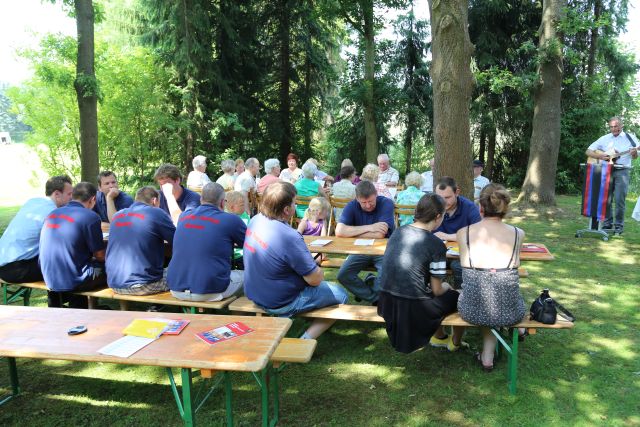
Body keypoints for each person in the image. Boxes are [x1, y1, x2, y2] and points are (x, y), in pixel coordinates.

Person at [243, 182, 348, 339]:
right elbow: (315, 279)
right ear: (286, 210)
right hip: (282, 301)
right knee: (341, 294)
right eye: (294, 202)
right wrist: (315, 266)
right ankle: (305, 339)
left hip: (255, 292)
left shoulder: (255, 220)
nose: (296, 204)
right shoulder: (289, 236)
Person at [377, 194, 464, 353]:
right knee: (458, 295)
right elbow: (437, 289)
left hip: (386, 301)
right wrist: (447, 286)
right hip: (414, 306)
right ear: (438, 217)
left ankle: (440, 337)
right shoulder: (436, 244)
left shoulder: (398, 232)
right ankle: (455, 341)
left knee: (436, 293)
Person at [457, 184, 526, 371]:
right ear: (505, 208)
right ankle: (515, 332)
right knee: (504, 295)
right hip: (509, 310)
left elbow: (464, 265)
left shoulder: (464, 233)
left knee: (485, 296)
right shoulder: (519, 234)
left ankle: (487, 357)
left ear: (480, 207)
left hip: (471, 308)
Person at [167, 183, 246, 301]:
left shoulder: (183, 216)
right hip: (210, 290)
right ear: (222, 202)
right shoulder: (231, 220)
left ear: (201, 199)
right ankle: (240, 316)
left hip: (176, 288)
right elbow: (251, 244)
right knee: (249, 277)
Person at [39, 182, 106, 309]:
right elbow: (100, 256)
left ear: (72, 196)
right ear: (93, 199)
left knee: (81, 264)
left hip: (48, 275)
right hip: (74, 279)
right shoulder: (90, 217)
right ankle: (90, 310)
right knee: (112, 268)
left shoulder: (53, 214)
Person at [0, 175, 73, 283]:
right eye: (69, 194)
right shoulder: (53, 213)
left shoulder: (33, 201)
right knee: (70, 263)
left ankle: (58, 299)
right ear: (57, 194)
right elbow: (65, 241)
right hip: (16, 269)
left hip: (5, 261)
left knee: (56, 259)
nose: (72, 197)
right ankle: (66, 300)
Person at [106, 186, 176, 295]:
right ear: (154, 201)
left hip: (115, 284)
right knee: (181, 272)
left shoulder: (117, 215)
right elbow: (177, 240)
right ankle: (158, 308)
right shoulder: (156, 213)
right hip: (143, 285)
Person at [335, 180, 395, 305]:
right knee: (343, 275)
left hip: (382, 249)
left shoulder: (386, 203)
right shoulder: (352, 205)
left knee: (387, 277)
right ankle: (375, 298)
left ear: (376, 195)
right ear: (357, 199)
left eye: (371, 201)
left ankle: (373, 284)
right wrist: (370, 227)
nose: (368, 206)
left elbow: (380, 235)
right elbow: (339, 231)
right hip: (360, 249)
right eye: (364, 202)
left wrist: (352, 232)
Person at [586, 116, 638, 235]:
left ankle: (619, 226)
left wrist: (635, 152)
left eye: (616, 126)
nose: (614, 129)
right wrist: (600, 157)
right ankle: (607, 223)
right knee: (606, 198)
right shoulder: (605, 138)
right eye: (611, 127)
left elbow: (635, 156)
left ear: (621, 126)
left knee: (619, 199)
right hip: (606, 170)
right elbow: (588, 151)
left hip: (622, 171)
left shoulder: (630, 138)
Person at [434, 176, 482, 289]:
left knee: (459, 266)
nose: (443, 202)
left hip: (461, 255)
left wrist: (446, 236)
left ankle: (460, 299)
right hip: (438, 254)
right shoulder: (433, 205)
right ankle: (428, 297)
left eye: (447, 197)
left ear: (457, 192)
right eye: (440, 197)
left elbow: (477, 235)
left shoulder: (469, 208)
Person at [225, 190, 250, 268]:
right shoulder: (225, 218)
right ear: (232, 208)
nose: (244, 207)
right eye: (242, 205)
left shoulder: (245, 216)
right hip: (233, 253)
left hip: (242, 251)